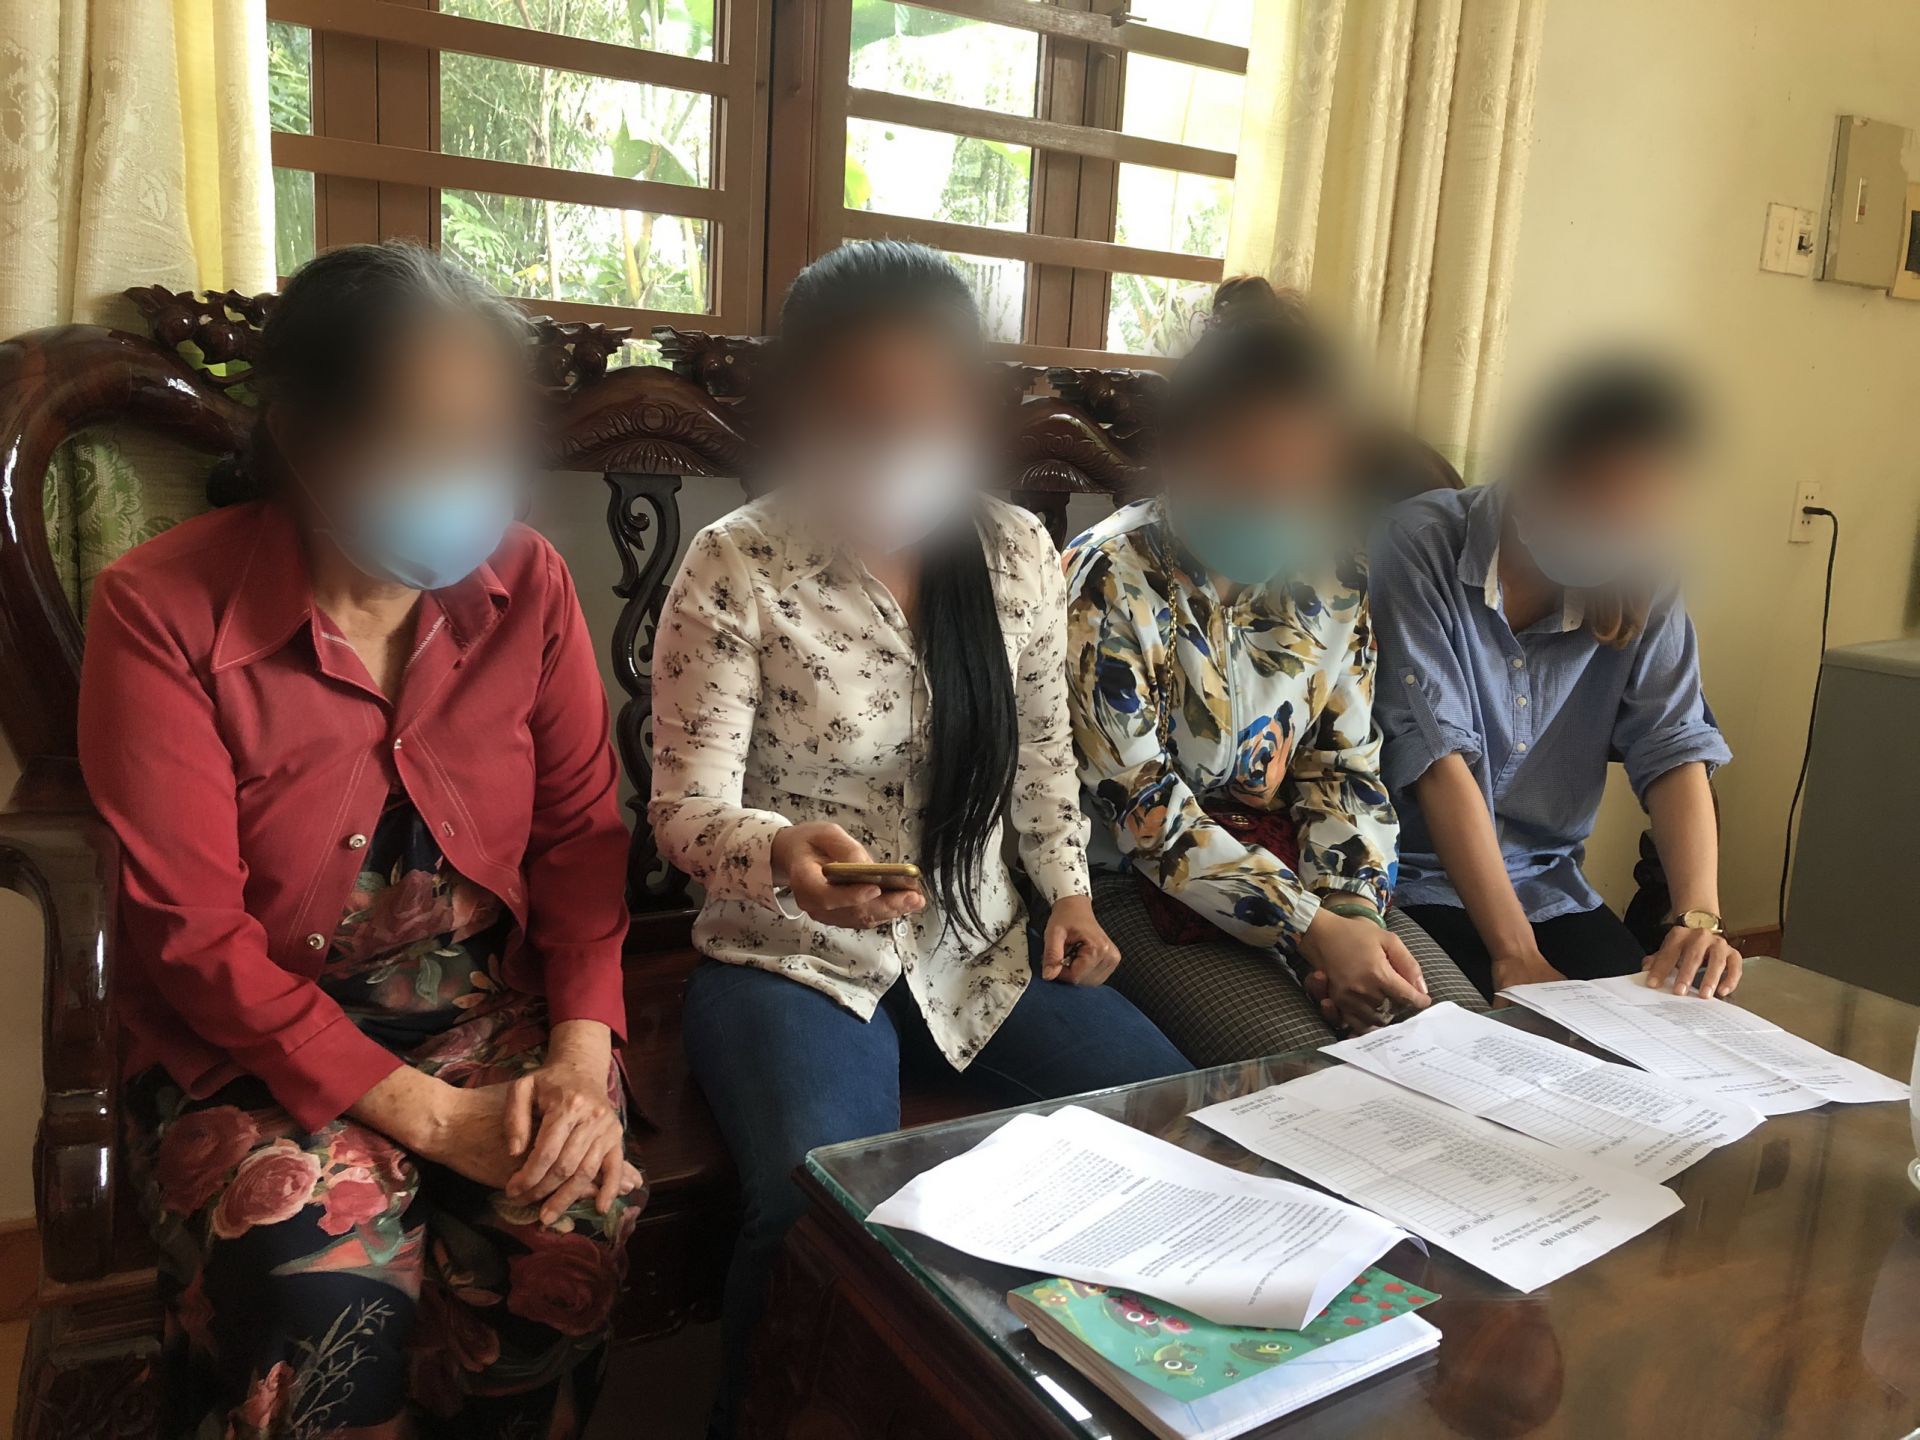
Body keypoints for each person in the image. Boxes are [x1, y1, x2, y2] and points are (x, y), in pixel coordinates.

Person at [77, 242, 641, 1439]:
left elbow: (583, 837)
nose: (467, 477)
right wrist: (435, 1123)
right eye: (422, 438)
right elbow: (193, 940)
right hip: (250, 1042)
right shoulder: (161, 612)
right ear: (302, 434)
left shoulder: (528, 586)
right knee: (313, 1271)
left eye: (488, 440)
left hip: (489, 1010)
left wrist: (580, 1061)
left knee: (571, 1221)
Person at [651, 241, 1190, 1429]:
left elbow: (1042, 753)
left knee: (1167, 1118)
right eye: (859, 416)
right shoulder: (737, 564)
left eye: (925, 413)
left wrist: (1068, 894)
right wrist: (782, 854)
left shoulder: (1014, 553)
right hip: (791, 961)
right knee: (815, 1205)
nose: (896, 443)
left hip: (978, 944)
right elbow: (684, 810)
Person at [1062, 279, 1487, 1068]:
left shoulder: (1334, 577)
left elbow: (1346, 769)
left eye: (1298, 485)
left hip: (1304, 871)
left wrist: (1353, 915)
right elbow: (1142, 809)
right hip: (1138, 886)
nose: (1272, 504)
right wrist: (1311, 932)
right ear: (1179, 456)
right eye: (1246, 478)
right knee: (1307, 1077)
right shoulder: (1106, 579)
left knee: (1457, 1050)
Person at [1370, 357, 1740, 1002]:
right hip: (1412, 879)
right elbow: (1437, 758)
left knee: (1652, 1024)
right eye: (1599, 500)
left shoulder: (1645, 569)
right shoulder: (1418, 543)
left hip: (1548, 885)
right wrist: (1515, 954)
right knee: (1478, 1036)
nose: (1618, 528)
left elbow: (1673, 743)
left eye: (1639, 514)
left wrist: (1697, 918)